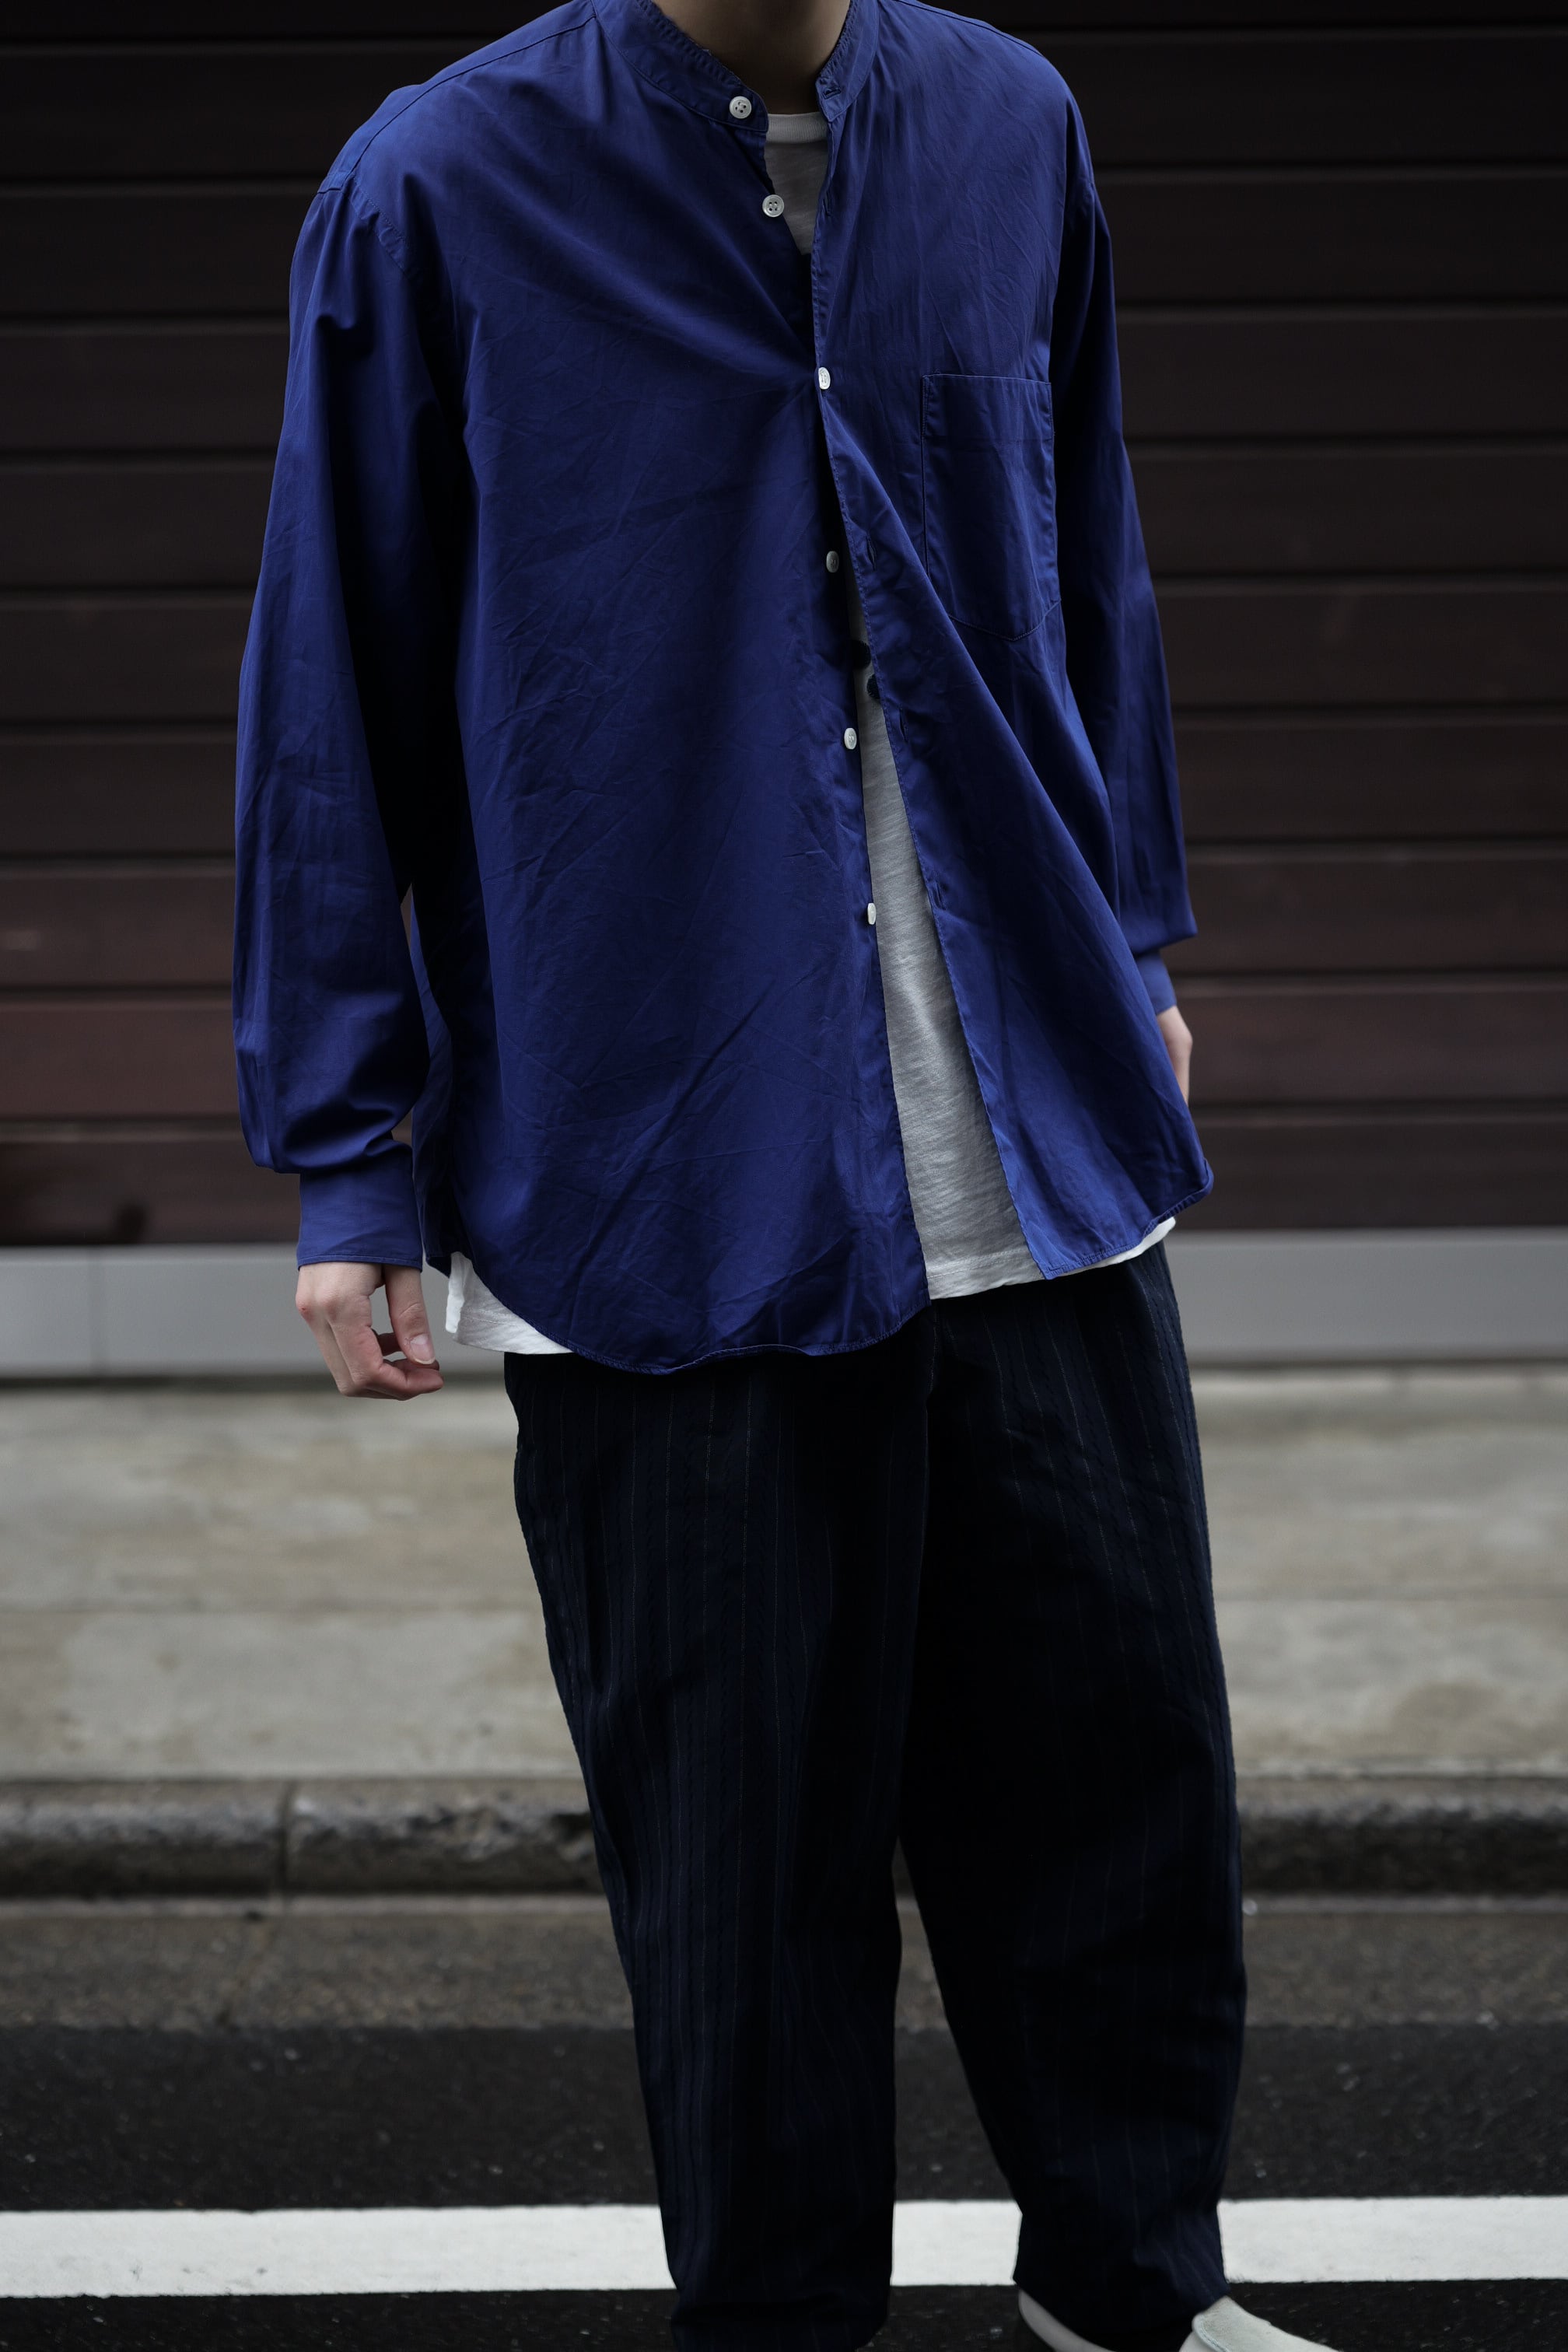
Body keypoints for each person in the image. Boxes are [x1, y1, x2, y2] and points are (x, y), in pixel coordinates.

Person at [234, 3, 1339, 2347]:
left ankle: (1129, 2303)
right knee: (742, 1859)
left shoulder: (1012, 127)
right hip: (662, 1160)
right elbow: (334, 674)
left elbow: (1089, 538)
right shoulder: (437, 186)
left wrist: (1129, 926)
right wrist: (348, 1155)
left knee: (1122, 1787)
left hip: (1027, 1137)